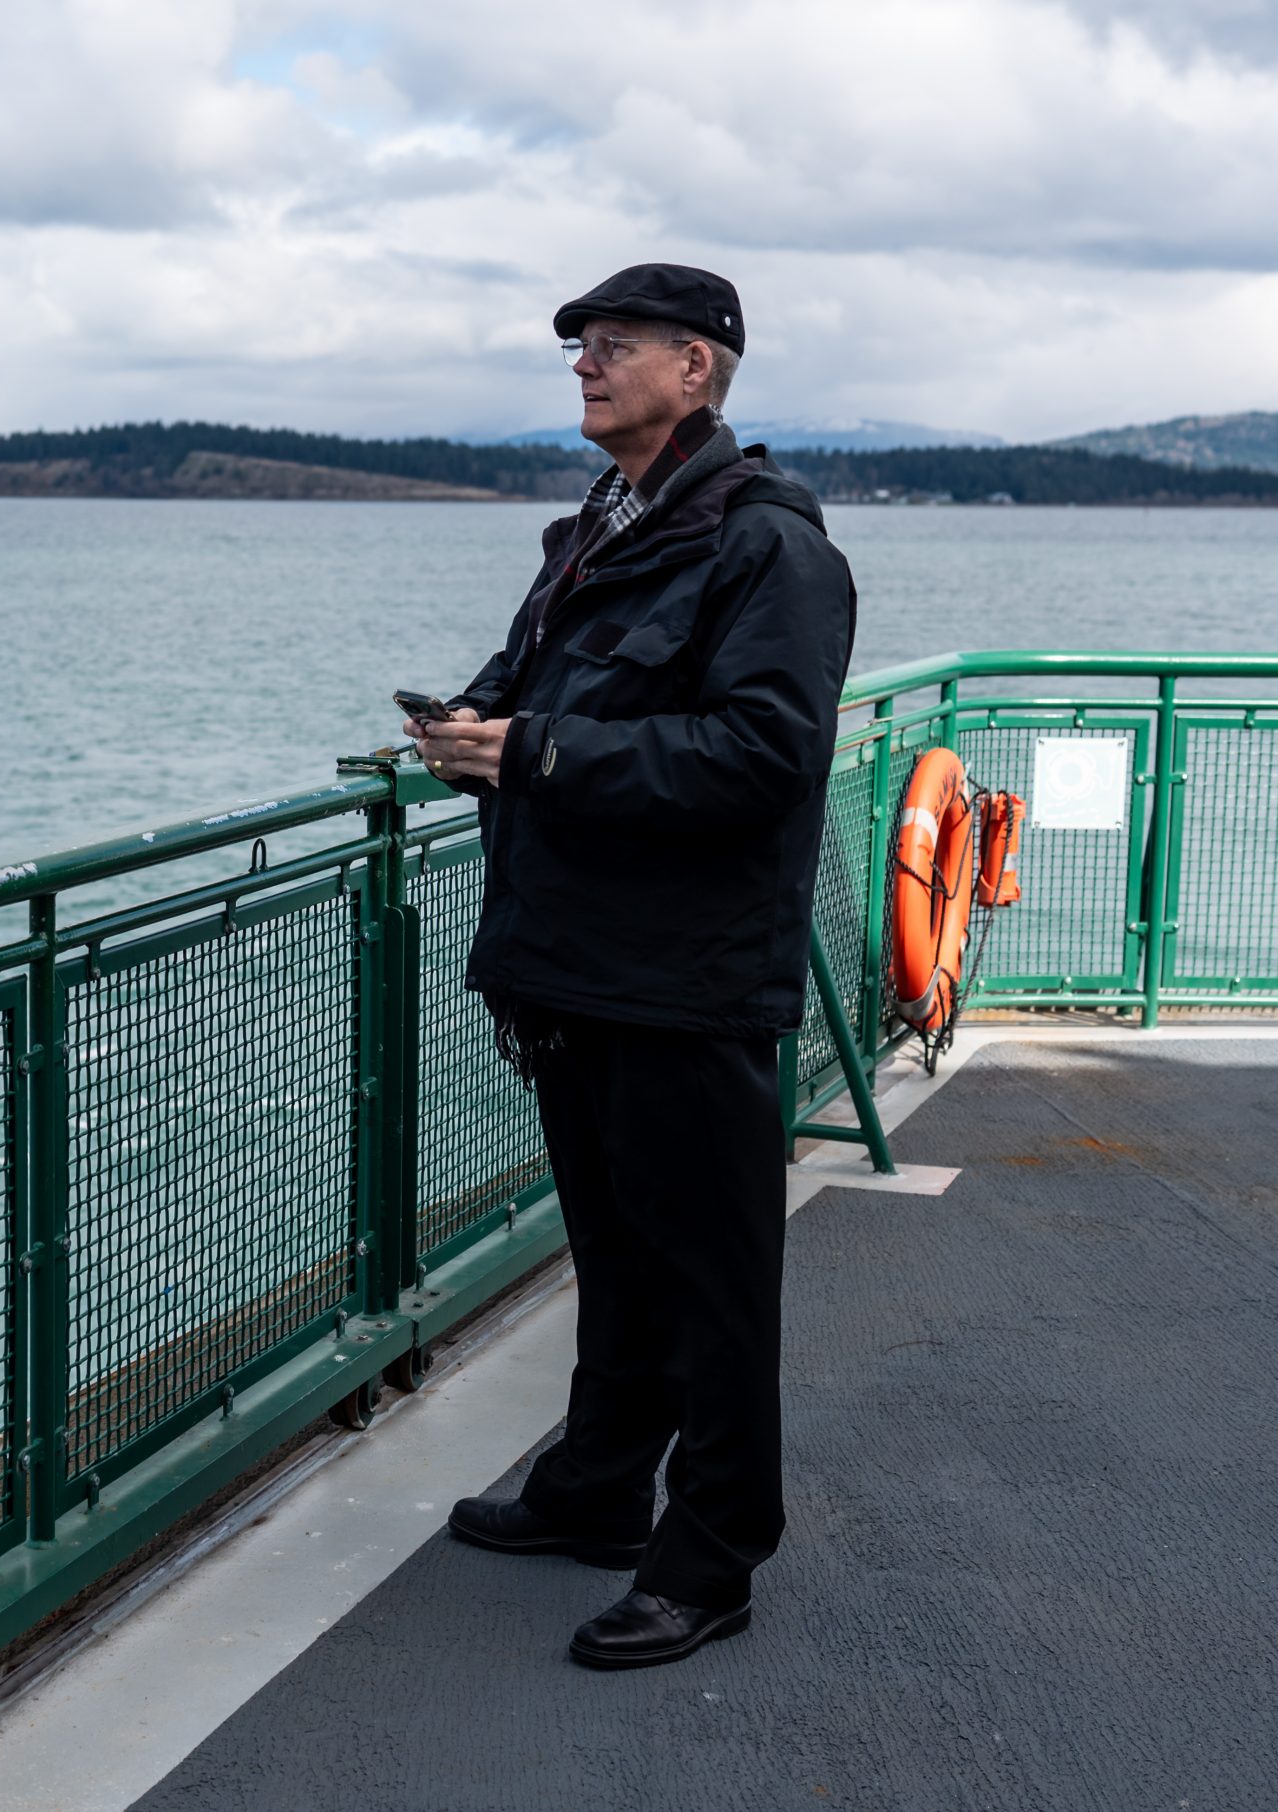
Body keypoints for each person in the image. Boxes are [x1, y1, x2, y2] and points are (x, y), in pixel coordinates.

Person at [407, 263, 855, 1670]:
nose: (586, 367)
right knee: (616, 1253)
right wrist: (481, 712)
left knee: (714, 1282)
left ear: (698, 370)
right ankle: (598, 1490)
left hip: (686, 978)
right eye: (580, 349)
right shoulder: (602, 525)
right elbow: (545, 675)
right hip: (578, 966)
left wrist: (534, 753)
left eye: (615, 347)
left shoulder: (769, 549)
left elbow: (766, 757)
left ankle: (712, 1553)